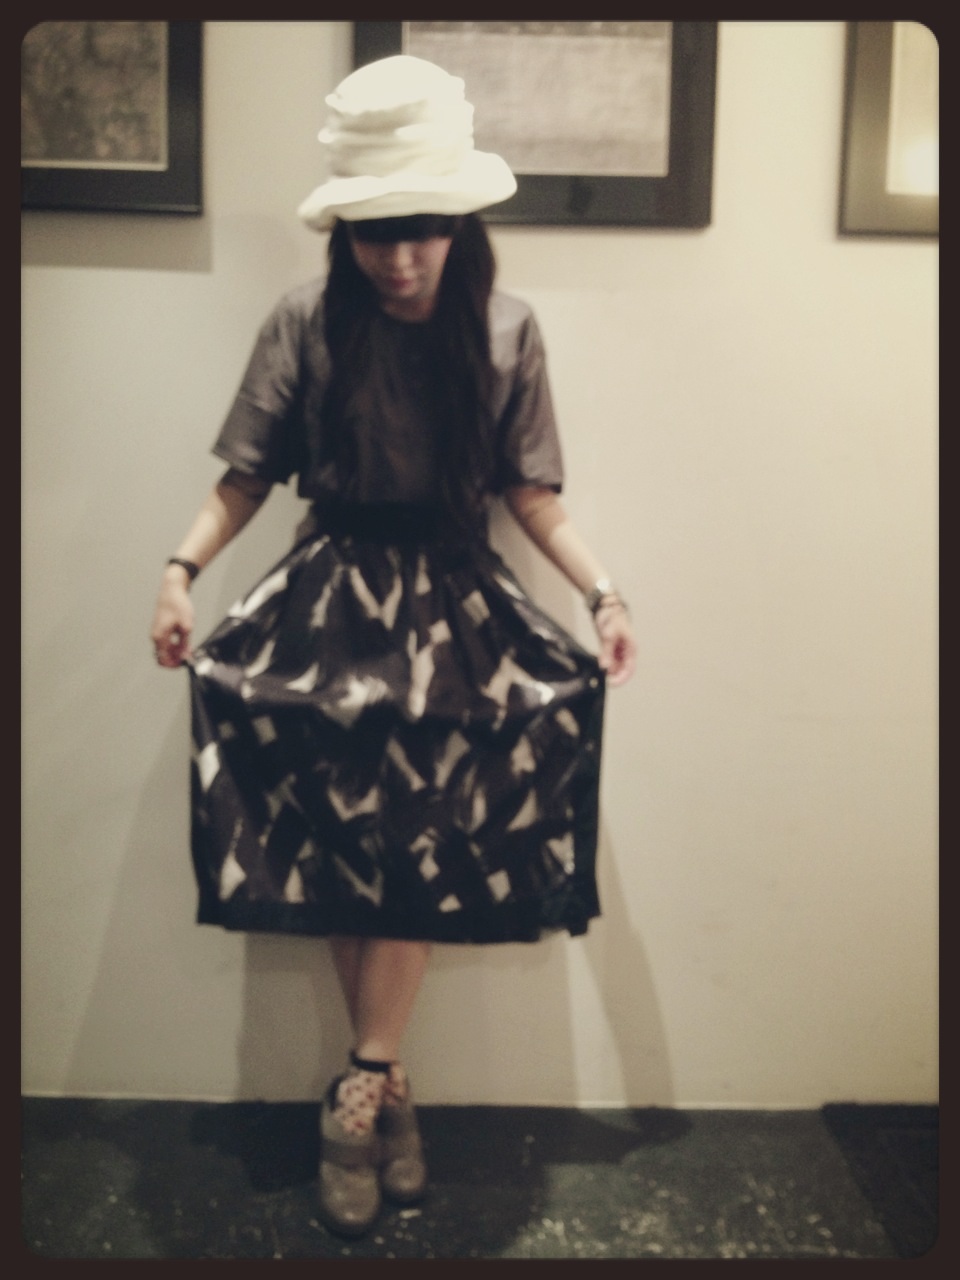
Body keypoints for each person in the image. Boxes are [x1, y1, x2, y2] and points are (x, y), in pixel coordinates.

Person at [150, 54, 636, 1238]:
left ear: (460, 224)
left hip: (454, 611)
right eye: (376, 231)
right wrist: (178, 572)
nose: (400, 256)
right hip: (328, 602)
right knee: (338, 838)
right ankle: (385, 1085)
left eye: (421, 229)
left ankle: (357, 1084)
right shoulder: (303, 321)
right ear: (346, 233)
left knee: (419, 834)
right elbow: (245, 476)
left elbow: (533, 495)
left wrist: (604, 595)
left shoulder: (508, 331)